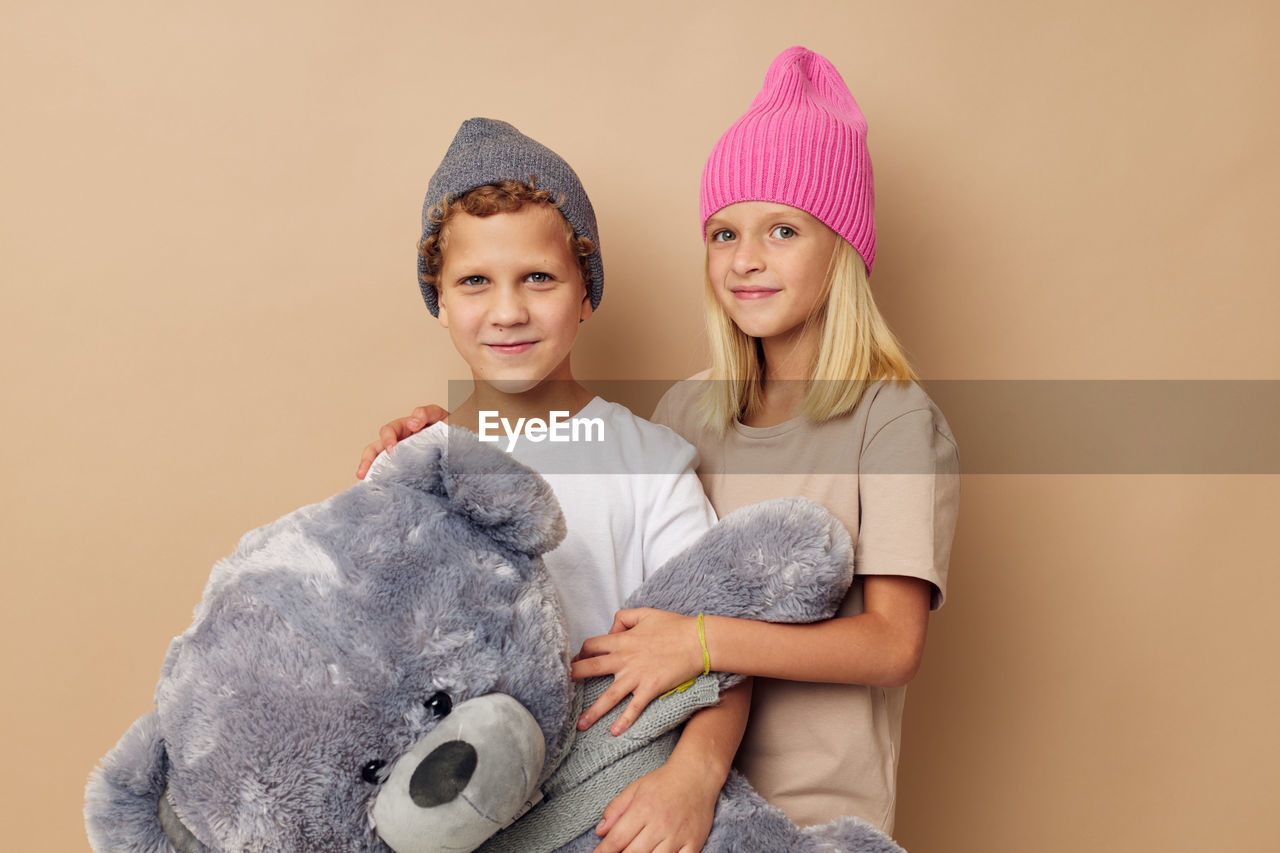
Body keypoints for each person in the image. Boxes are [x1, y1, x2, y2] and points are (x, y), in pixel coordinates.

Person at [363, 47, 959, 838]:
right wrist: (424, 452)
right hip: (637, 791)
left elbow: (892, 642)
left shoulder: (894, 420)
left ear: (842, 247)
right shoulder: (690, 412)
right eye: (723, 233)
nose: (746, 259)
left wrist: (702, 647)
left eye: (783, 229)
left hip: (807, 802)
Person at [364, 117, 743, 853]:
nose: (508, 310)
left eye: (538, 277)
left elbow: (718, 650)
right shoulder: (409, 468)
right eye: (475, 281)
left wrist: (695, 777)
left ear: (586, 292)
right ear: (438, 300)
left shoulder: (650, 463)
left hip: (611, 812)